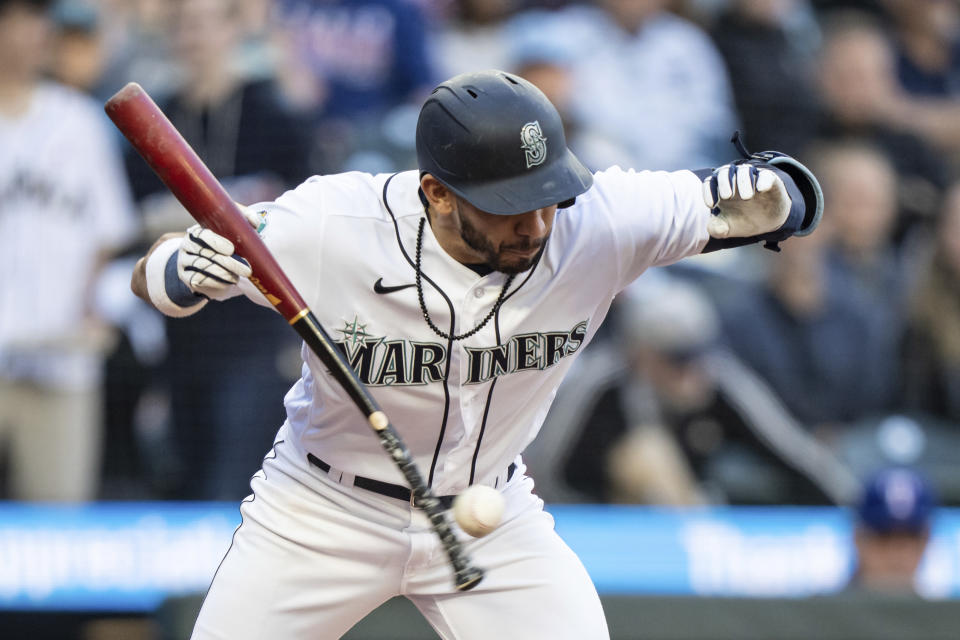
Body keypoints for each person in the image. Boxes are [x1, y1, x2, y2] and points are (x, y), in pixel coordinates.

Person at [130, 70, 822, 638]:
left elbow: (773, 195)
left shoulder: (599, 220)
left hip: (491, 509)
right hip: (320, 511)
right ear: (436, 192)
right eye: (510, 205)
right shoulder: (330, 225)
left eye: (548, 195)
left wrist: (778, 195)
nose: (538, 222)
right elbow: (156, 274)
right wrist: (182, 272)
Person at [124, 0, 311, 500]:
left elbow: (298, 209)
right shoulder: (154, 116)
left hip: (252, 325)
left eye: (206, 23)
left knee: (235, 475)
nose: (194, 36)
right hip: (180, 320)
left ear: (233, 30)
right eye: (183, 25)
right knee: (186, 466)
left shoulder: (272, 115)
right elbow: (135, 215)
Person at [527, 275, 858, 506]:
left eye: (698, 356)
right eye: (677, 361)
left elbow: (790, 449)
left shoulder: (719, 378)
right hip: (595, 515)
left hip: (691, 511)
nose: (693, 374)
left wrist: (850, 502)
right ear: (642, 356)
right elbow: (544, 470)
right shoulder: (600, 385)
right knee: (646, 454)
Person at [0, 0, 138, 501]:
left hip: (58, 362)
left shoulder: (78, 122)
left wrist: (86, 303)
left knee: (58, 530)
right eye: (25, 18)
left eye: (42, 19)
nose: (40, 32)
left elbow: (107, 233)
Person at [849, 466, 937, 594]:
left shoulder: (948, 613)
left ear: (926, 541)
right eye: (884, 536)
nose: (897, 556)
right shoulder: (820, 611)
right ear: (858, 539)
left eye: (910, 537)